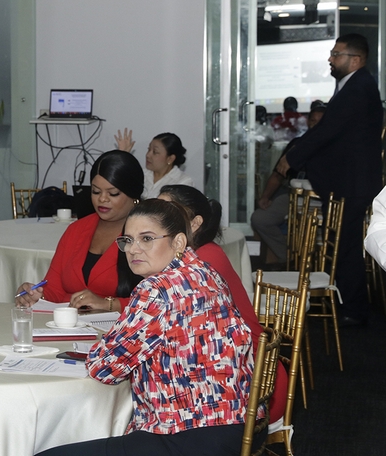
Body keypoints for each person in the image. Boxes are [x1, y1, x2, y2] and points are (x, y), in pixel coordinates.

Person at [36, 199, 254, 456]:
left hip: (187, 434)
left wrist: (105, 345)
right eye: (127, 240)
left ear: (178, 242)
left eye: (147, 239)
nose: (133, 249)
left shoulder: (156, 290)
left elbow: (104, 368)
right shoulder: (205, 272)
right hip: (236, 423)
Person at [276, 33, 383, 327]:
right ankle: (349, 304)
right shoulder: (353, 85)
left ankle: (354, 309)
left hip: (354, 182)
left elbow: (327, 131)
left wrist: (293, 157)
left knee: (346, 246)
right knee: (344, 244)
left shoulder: (358, 87)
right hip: (350, 180)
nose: (330, 59)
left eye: (337, 54)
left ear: (355, 60)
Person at [158, 184, 286, 423]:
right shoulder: (190, 254)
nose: (158, 216)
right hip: (228, 369)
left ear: (195, 223)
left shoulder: (204, 260)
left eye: (168, 210)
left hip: (253, 381)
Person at [16, 150, 143, 312]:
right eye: (96, 191)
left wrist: (108, 304)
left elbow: (159, 302)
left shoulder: (148, 235)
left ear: (134, 195)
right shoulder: (77, 229)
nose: (102, 199)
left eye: (113, 193)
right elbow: (54, 288)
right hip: (71, 323)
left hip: (123, 325)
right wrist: (37, 295)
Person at [251, 101, 326, 266]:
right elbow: (278, 174)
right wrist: (265, 197)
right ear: (308, 121)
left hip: (323, 198)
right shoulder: (297, 144)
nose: (316, 125)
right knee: (260, 218)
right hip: (293, 195)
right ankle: (288, 257)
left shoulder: (335, 147)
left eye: (320, 122)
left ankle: (318, 262)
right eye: (313, 120)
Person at [114, 128, 193, 198]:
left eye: (155, 152)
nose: (148, 155)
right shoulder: (140, 173)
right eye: (149, 149)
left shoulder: (183, 182)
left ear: (170, 159)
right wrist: (122, 155)